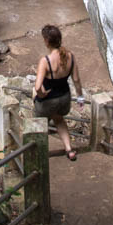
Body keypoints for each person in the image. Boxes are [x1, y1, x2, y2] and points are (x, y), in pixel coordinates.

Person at [32, 23, 84, 160]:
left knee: (38, 124)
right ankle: (69, 150)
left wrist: (41, 95)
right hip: (64, 99)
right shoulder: (70, 56)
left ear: (46, 41)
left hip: (48, 101)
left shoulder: (45, 61)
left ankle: (39, 154)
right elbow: (77, 80)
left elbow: (38, 87)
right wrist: (80, 98)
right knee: (59, 120)